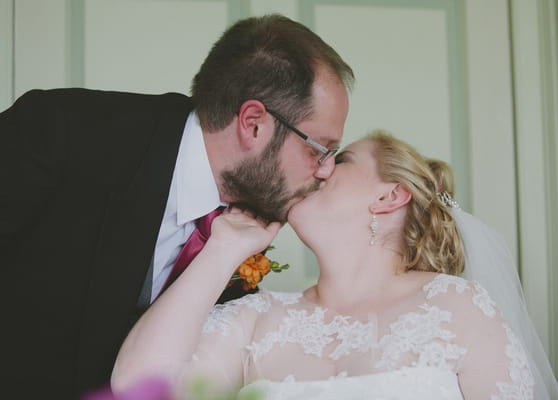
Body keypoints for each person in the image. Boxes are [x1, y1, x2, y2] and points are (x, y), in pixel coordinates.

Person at [0, 14, 354, 399]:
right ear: (253, 123)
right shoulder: (60, 132)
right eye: (319, 148)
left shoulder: (252, 216)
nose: (326, 170)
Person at [111, 131, 558, 399]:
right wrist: (222, 250)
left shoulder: (456, 306)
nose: (319, 169)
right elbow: (137, 387)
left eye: (341, 159)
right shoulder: (254, 319)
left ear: (389, 196)